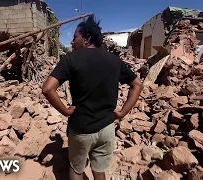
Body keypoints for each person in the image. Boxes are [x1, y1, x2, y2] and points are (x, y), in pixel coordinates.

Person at [42, 15, 143, 180]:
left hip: (82, 128)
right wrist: (123, 113)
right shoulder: (114, 60)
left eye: (75, 37)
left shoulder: (70, 59)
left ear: (87, 39)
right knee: (99, 169)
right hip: (107, 128)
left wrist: (66, 111)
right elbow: (137, 85)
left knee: (76, 169)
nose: (72, 42)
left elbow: (47, 89)